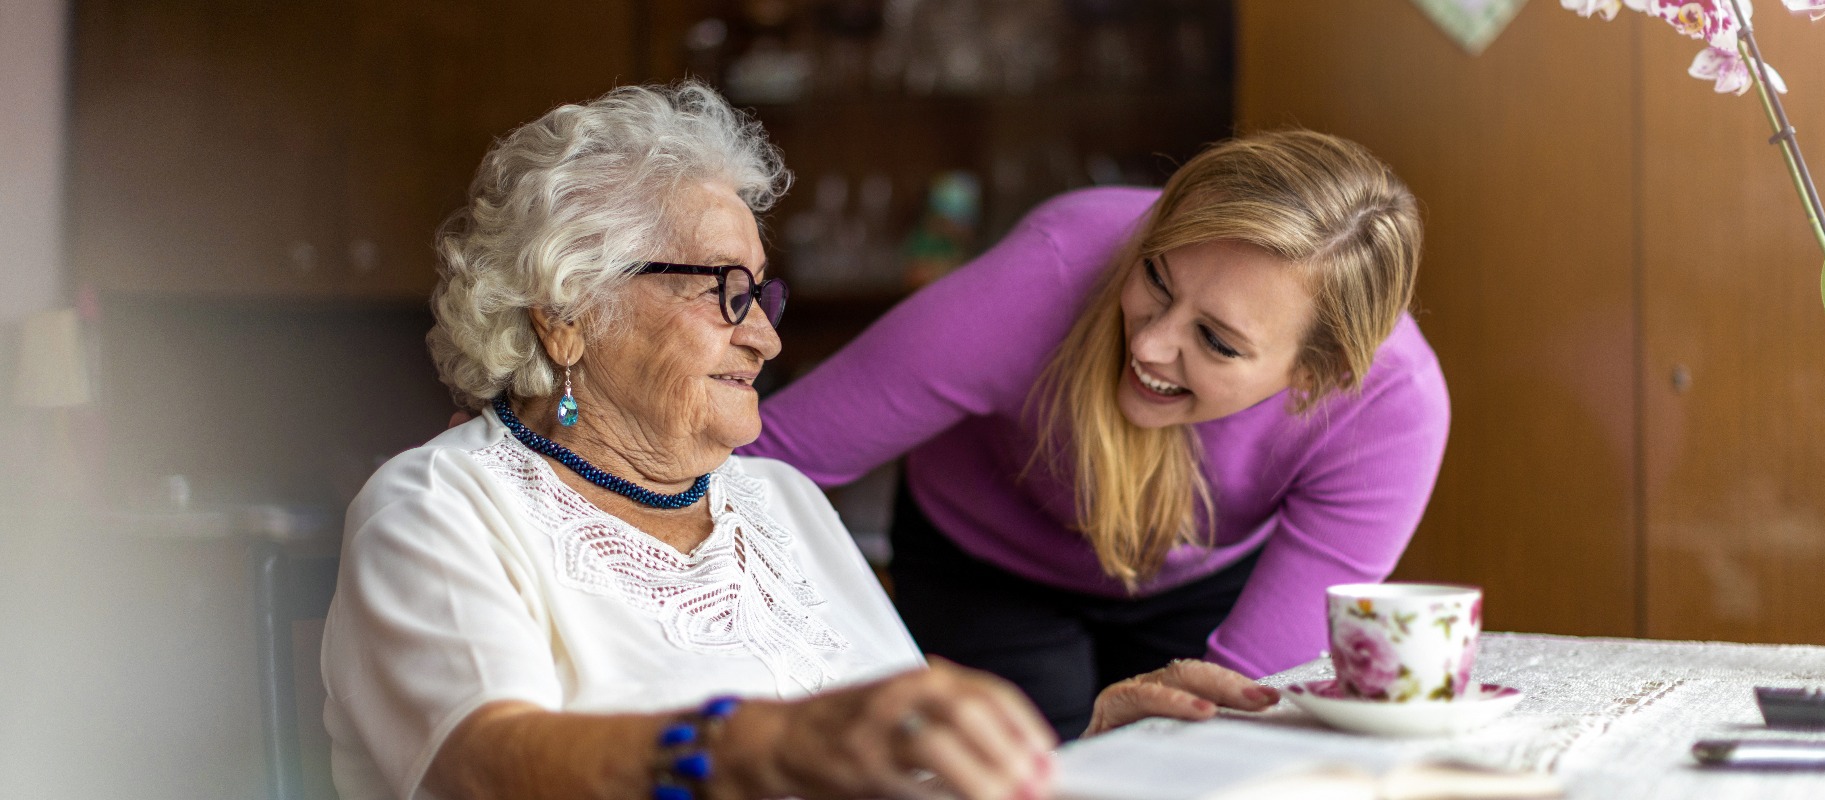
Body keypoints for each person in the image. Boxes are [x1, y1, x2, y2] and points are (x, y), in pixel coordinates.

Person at [320, 83, 1280, 800]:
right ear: (569, 314)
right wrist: (761, 746)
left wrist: (1086, 738)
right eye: (722, 291)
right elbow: (482, 764)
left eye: (762, 294)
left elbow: (896, 753)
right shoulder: (442, 507)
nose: (766, 336)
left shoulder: (774, 500)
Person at [741, 129, 1449, 739]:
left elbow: (1245, 708)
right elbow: (761, 460)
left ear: (1315, 377)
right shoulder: (1049, 271)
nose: (1151, 345)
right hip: (986, 561)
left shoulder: (1392, 410)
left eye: (1215, 340)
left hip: (1201, 579)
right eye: (1157, 279)